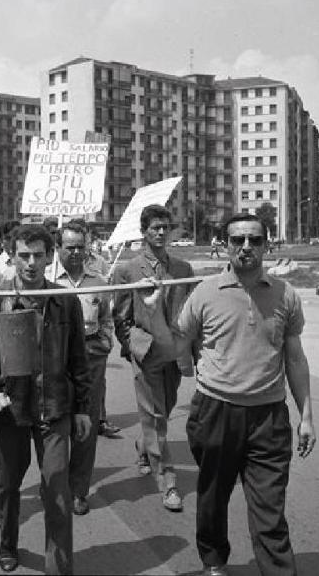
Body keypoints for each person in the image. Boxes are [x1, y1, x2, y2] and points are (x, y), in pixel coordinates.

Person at [139, 213, 316, 576]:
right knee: (213, 498)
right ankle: (214, 560)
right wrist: (155, 311)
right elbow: (175, 345)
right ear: (225, 246)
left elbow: (295, 358)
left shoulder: (286, 294)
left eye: (254, 240)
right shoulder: (204, 292)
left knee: (270, 508)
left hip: (269, 417)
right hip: (215, 413)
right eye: (238, 240)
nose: (246, 247)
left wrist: (307, 416)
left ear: (267, 245)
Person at [0, 224, 92, 574]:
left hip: (54, 411)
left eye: (39, 255)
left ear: (51, 257)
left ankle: (59, 567)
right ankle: (8, 543)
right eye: (24, 255)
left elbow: (79, 360)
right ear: (11, 257)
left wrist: (83, 409)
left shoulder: (65, 302)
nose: (32, 263)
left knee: (57, 491)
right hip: (11, 411)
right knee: (7, 486)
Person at [112, 204, 194, 512]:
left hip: (173, 354)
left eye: (165, 227)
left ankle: (144, 446)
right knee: (157, 419)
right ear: (143, 231)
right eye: (154, 227)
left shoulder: (183, 270)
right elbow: (120, 315)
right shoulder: (127, 270)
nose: (160, 232)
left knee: (166, 408)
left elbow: (190, 312)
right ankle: (168, 482)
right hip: (145, 354)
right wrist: (132, 345)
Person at [54, 221, 114, 516]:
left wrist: (103, 344)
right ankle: (54, 486)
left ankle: (78, 490)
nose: (76, 253)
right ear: (58, 248)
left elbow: (107, 320)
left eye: (81, 246)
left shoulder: (99, 282)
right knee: (54, 427)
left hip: (90, 360)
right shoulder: (49, 283)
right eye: (70, 247)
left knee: (85, 427)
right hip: (55, 361)